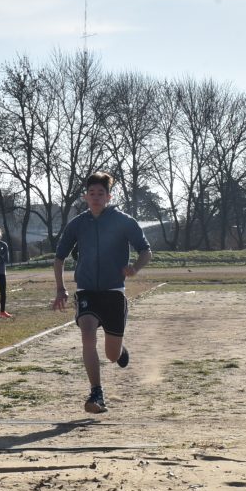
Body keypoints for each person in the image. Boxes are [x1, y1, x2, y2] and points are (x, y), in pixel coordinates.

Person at [52, 172, 151, 414]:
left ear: (109, 196)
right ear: (85, 197)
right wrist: (60, 288)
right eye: (92, 193)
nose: (96, 198)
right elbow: (59, 258)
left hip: (113, 292)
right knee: (87, 334)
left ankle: (119, 350)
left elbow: (146, 251)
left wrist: (135, 268)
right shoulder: (77, 224)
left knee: (111, 354)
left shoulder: (124, 221)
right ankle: (96, 392)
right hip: (87, 290)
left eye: (101, 194)